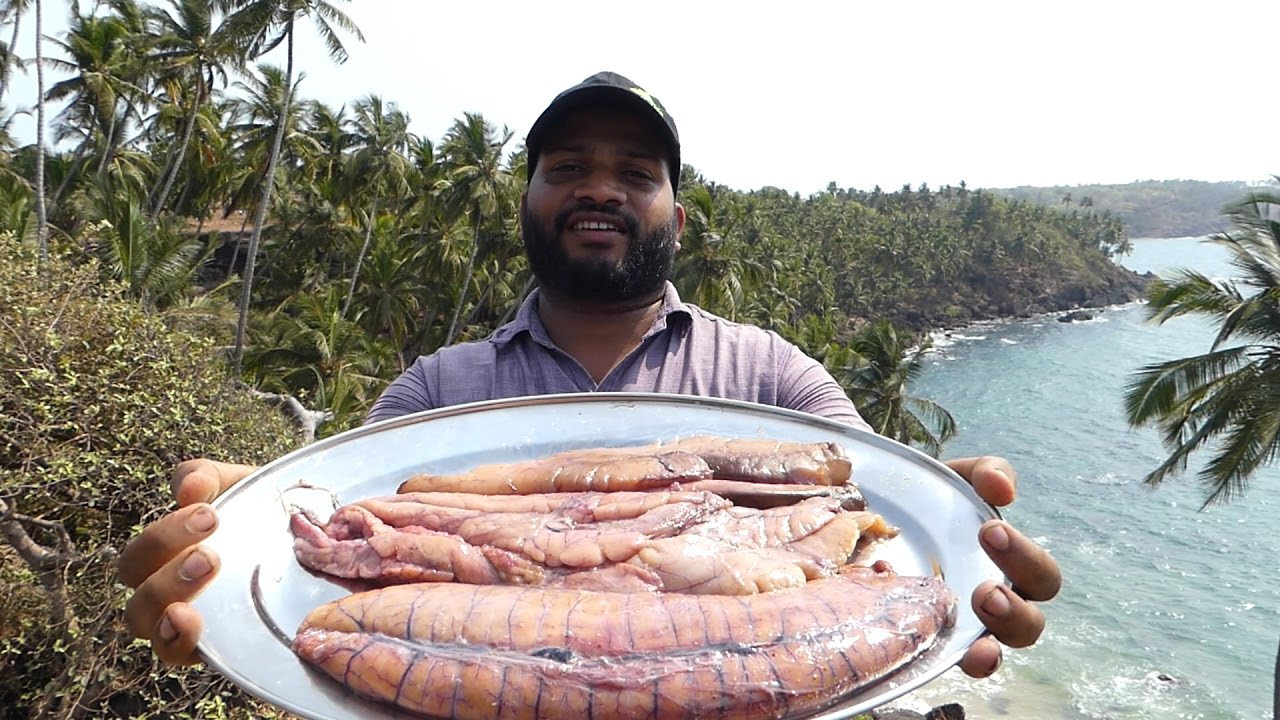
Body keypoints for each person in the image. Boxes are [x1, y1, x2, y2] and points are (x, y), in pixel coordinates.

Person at [119, 71, 1061, 682]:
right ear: (527, 204)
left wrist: (969, 583)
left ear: (676, 217)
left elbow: (875, 524)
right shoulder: (430, 398)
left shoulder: (775, 376)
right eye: (567, 167)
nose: (599, 187)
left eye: (635, 172)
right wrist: (218, 569)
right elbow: (323, 570)